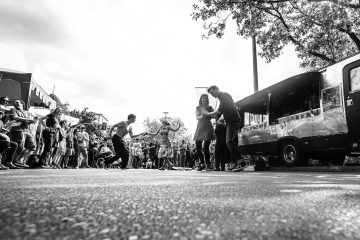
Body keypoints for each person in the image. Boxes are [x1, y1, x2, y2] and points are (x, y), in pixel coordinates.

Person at [205, 85, 248, 172]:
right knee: (232, 142)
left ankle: (242, 162)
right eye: (210, 94)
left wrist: (208, 114)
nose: (212, 95)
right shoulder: (222, 99)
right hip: (231, 122)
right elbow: (218, 115)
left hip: (233, 121)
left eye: (212, 93)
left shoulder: (224, 95)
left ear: (216, 89)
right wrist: (209, 116)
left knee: (228, 141)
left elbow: (219, 111)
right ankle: (235, 162)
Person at [193, 94, 216, 171]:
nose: (204, 100)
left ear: (207, 100)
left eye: (205, 98)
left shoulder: (210, 108)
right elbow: (197, 117)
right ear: (201, 100)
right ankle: (202, 163)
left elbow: (215, 116)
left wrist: (210, 114)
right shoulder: (198, 108)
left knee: (206, 147)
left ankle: (208, 164)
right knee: (198, 147)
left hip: (208, 127)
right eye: (203, 98)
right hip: (200, 127)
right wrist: (203, 115)